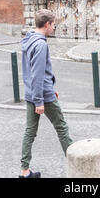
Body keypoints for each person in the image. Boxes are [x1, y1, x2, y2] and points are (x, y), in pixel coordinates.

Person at [19, 9, 73, 178]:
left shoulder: (28, 39)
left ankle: (24, 171)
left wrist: (45, 90)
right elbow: (38, 74)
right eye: (54, 24)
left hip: (31, 93)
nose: (54, 28)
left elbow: (35, 73)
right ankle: (78, 165)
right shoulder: (41, 44)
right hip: (41, 95)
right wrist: (40, 100)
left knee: (30, 131)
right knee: (62, 128)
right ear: (47, 24)